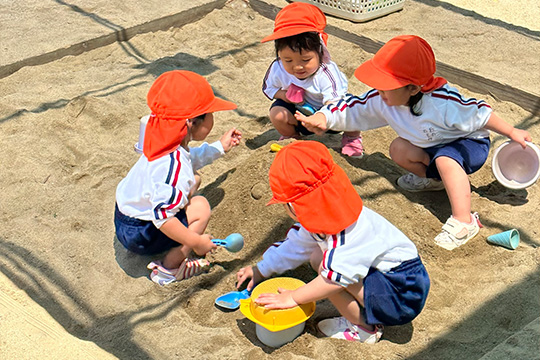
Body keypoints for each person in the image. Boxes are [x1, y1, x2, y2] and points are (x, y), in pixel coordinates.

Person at [297, 35, 532, 251]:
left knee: (447, 159)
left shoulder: (443, 103)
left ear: (413, 88)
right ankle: (434, 181)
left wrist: (512, 132)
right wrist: (324, 117)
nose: (380, 92)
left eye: (386, 85)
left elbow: (480, 113)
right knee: (398, 149)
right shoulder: (384, 98)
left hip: (468, 143)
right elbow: (354, 108)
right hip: (432, 146)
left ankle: (465, 221)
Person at [236, 141, 430, 344]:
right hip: (392, 278)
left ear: (294, 206)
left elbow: (333, 280)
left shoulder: (347, 235)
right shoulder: (327, 214)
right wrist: (261, 270)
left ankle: (364, 328)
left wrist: (294, 297)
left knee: (326, 273)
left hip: (402, 296)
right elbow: (295, 246)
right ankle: (365, 305)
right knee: (317, 256)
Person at [114, 70, 242, 285]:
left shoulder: (159, 140)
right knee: (200, 206)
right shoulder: (175, 165)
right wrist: (196, 241)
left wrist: (220, 147)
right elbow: (162, 217)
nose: (212, 118)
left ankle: (173, 247)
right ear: (191, 122)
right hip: (141, 234)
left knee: (195, 180)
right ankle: (169, 268)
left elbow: (188, 159)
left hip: (125, 216)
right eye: (210, 114)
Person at [261, 2, 364, 158]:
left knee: (352, 110)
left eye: (306, 59)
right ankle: (292, 136)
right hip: (300, 115)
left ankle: (351, 138)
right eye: (288, 60)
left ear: (320, 52)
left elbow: (334, 101)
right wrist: (284, 95)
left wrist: (322, 117)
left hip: (330, 116)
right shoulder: (278, 68)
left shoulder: (326, 73)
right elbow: (269, 88)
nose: (297, 67)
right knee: (277, 113)